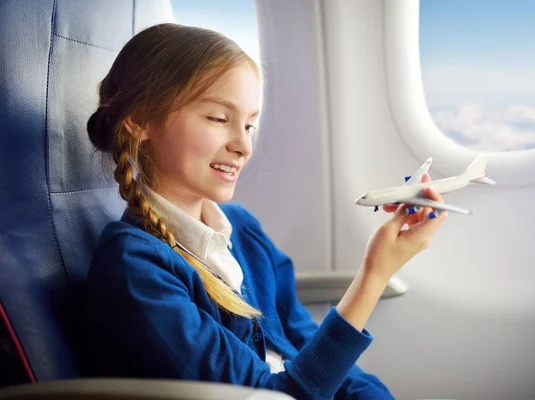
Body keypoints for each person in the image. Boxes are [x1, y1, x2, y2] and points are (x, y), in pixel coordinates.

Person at [83, 23, 447, 399]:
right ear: (140, 120)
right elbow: (279, 394)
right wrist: (374, 274)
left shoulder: (243, 230)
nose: (243, 145)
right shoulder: (135, 269)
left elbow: (308, 347)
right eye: (219, 119)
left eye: (250, 125)